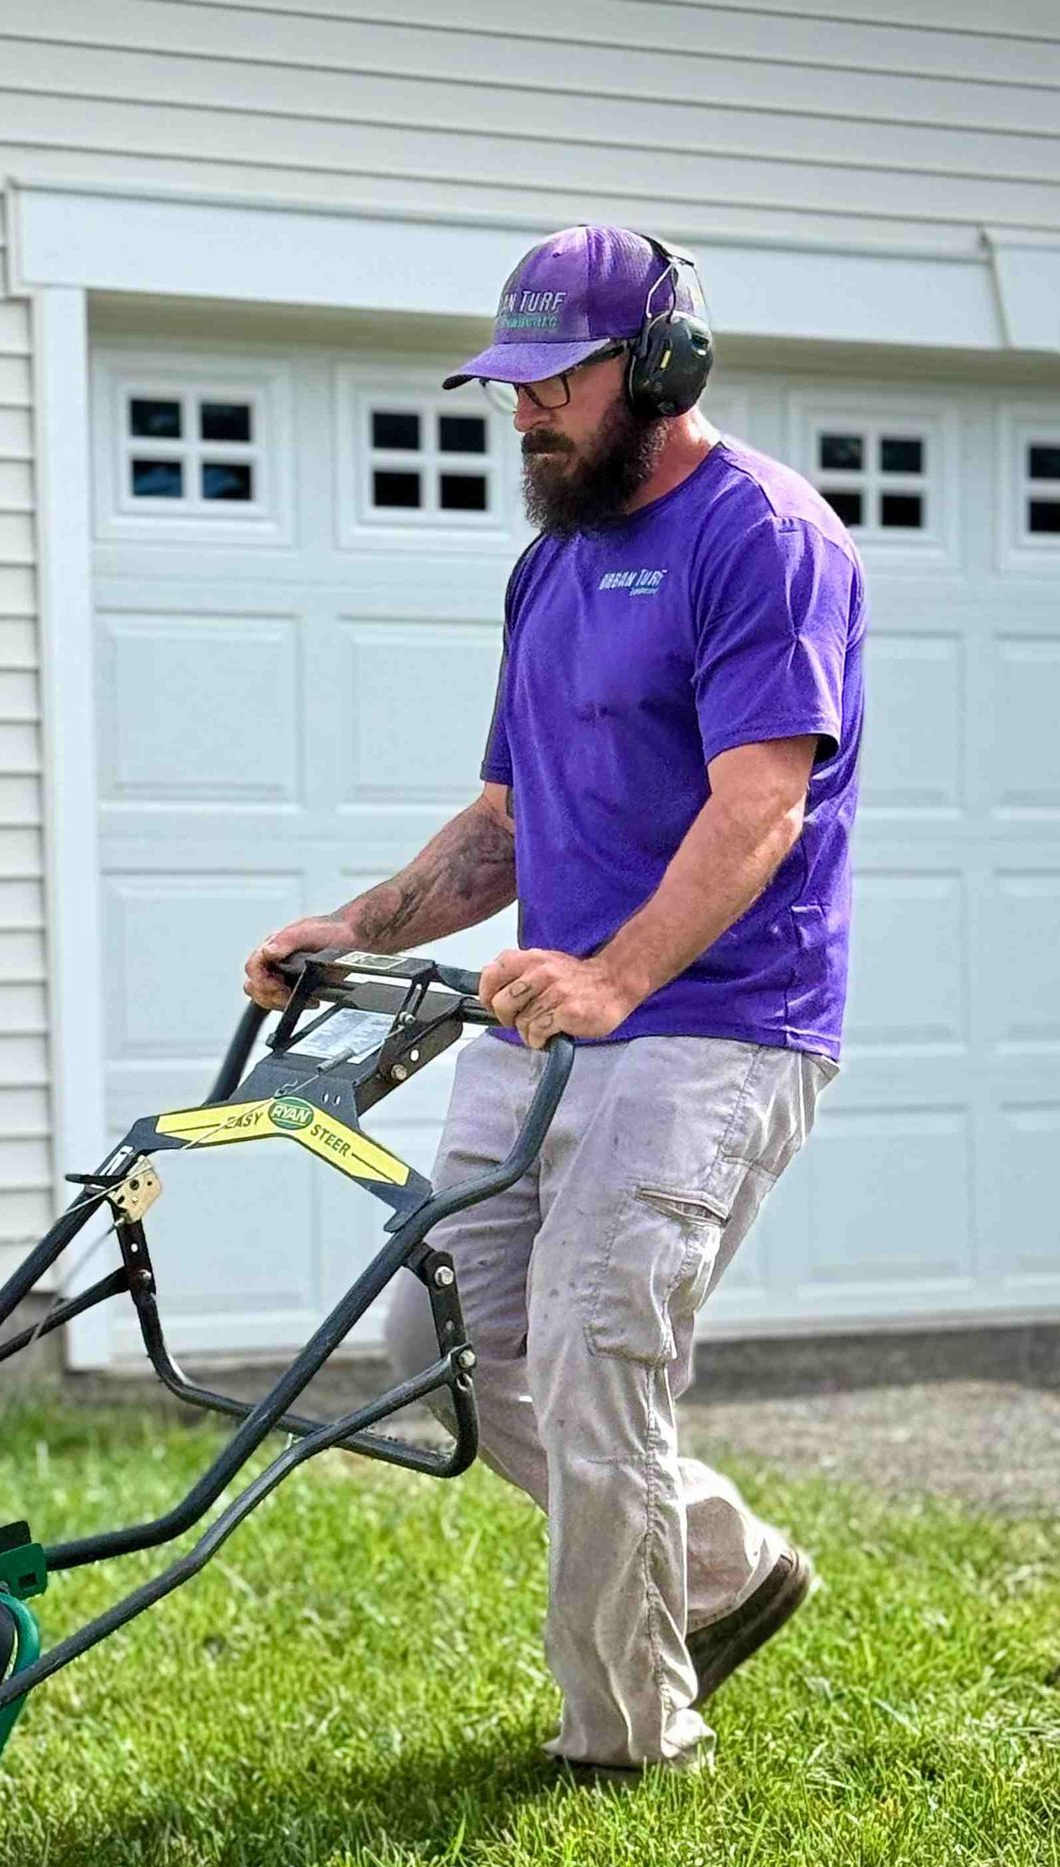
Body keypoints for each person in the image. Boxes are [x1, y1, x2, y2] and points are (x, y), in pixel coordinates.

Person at [242, 225, 864, 1774]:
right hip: (553, 1023)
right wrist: (357, 923)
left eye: (554, 384)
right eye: (508, 387)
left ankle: (630, 1738)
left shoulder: (764, 538)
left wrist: (613, 973)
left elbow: (759, 807)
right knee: (445, 1343)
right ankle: (719, 1567)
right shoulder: (553, 563)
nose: (521, 414)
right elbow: (507, 826)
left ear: (660, 369)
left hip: (714, 1026)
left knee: (597, 1359)